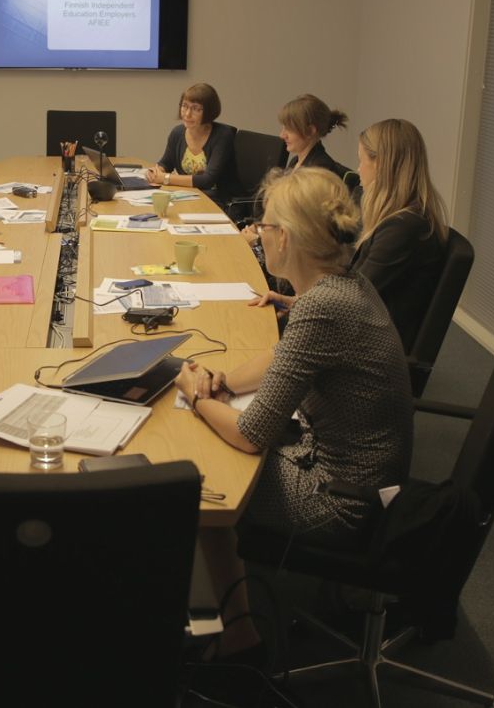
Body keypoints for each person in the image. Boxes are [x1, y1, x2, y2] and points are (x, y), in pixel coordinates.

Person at [177, 167, 413, 661]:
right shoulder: (345, 283)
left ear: (283, 237)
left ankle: (238, 635)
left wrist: (197, 396)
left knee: (204, 476)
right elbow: (283, 356)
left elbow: (250, 434)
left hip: (342, 499)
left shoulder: (322, 307)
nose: (260, 234)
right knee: (210, 442)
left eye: (264, 226)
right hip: (368, 479)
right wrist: (224, 381)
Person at [250, 118, 448, 352]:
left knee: (255, 338)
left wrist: (305, 303)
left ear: (381, 164)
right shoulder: (401, 219)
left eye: (361, 160)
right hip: (357, 327)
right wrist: (297, 301)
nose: (358, 169)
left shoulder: (404, 229)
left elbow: (352, 298)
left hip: (365, 344)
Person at [241, 93, 350, 252]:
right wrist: (258, 227)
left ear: (310, 130)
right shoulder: (295, 162)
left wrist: (258, 239)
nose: (282, 135)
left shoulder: (318, 172)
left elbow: (299, 229)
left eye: (289, 129)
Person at [142, 83, 240, 203]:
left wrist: (166, 178)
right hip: (188, 196)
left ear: (209, 111)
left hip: (221, 202)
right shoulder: (177, 133)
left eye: (196, 109)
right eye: (185, 106)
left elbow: (207, 180)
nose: (187, 114)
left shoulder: (222, 135)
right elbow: (166, 163)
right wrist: (155, 172)